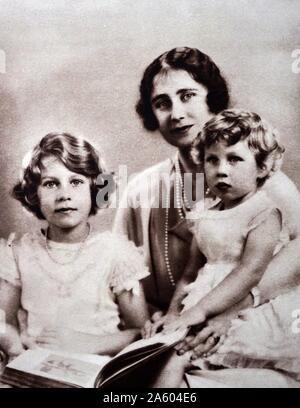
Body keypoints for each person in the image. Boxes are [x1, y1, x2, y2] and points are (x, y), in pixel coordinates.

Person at [114, 47, 300, 386]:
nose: (177, 113)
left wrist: (229, 313)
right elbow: (120, 275)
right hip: (175, 331)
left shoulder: (267, 185)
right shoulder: (139, 189)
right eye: (162, 103)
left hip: (253, 331)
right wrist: (157, 321)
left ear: (211, 98)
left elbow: (284, 260)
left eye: (187, 96)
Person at [144, 110, 300, 388]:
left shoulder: (264, 211)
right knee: (172, 358)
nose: (221, 170)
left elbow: (251, 271)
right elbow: (190, 273)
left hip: (242, 304)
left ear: (262, 168)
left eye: (235, 159)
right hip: (203, 298)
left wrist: (202, 311)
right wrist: (173, 311)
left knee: (184, 359)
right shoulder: (202, 212)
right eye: (212, 160)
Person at [0, 132, 149, 365]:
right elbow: (3, 323)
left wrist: (88, 343)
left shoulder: (116, 252)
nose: (64, 195)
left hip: (97, 368)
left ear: (95, 190)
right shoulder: (18, 252)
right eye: (51, 184)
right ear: (34, 195)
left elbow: (141, 332)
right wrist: (15, 345)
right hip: (36, 366)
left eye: (76, 182)